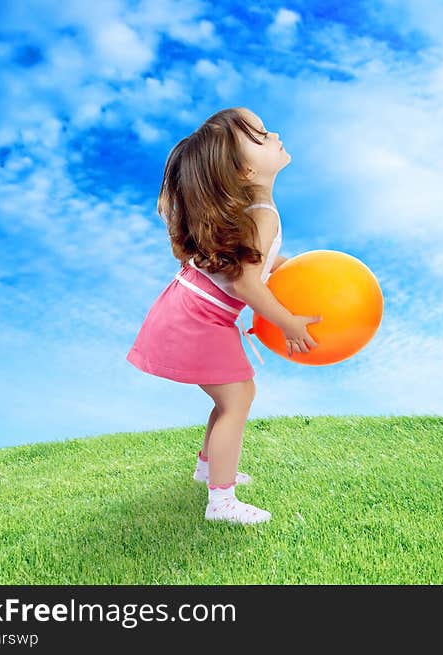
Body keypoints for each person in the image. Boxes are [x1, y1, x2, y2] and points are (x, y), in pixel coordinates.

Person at [126, 107, 322, 525]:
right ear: (245, 169)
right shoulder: (261, 216)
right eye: (262, 135)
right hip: (198, 320)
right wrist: (287, 321)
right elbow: (249, 286)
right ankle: (221, 502)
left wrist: (287, 268)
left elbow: (252, 266)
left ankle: (206, 467)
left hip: (188, 311)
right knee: (238, 399)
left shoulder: (252, 213)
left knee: (231, 396)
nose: (275, 135)